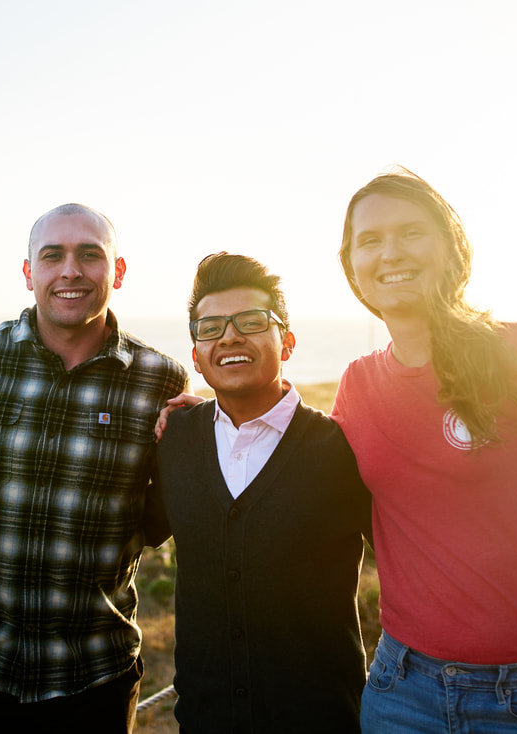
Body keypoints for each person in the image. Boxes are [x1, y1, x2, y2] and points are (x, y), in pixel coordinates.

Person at [334, 169, 517, 733]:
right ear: (351, 266)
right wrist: (210, 413)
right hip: (400, 694)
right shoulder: (357, 385)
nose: (390, 252)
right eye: (369, 240)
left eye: (411, 232)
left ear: (451, 248)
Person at [0, 203, 189, 733]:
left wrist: (204, 432)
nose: (70, 271)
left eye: (90, 255)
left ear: (117, 272)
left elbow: (159, 517)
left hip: (95, 675)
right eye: (52, 256)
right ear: (29, 272)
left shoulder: (159, 380)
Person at [144, 253, 373, 732]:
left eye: (250, 322)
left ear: (286, 342)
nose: (229, 336)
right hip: (204, 722)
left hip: (321, 721)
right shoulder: (177, 440)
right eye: (210, 328)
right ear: (196, 355)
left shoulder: (340, 449)